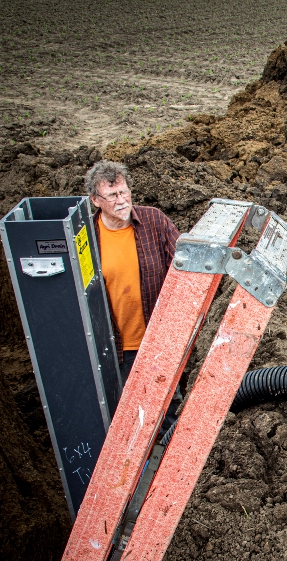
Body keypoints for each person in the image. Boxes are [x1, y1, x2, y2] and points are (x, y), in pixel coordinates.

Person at [85, 160, 181, 437]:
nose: (121, 200)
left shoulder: (154, 221)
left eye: (124, 192)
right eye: (112, 195)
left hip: (157, 340)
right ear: (95, 200)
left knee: (167, 411)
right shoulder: (86, 238)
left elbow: (183, 268)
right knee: (132, 418)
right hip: (117, 349)